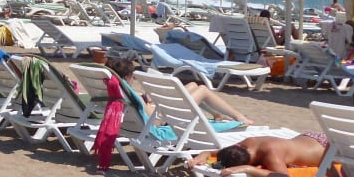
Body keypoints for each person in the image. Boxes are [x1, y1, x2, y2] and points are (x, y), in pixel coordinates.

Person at [106, 55, 256, 126]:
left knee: (192, 85)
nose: (134, 78)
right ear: (127, 76)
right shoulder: (127, 92)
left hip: (158, 113)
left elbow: (141, 105)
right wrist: (149, 99)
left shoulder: (119, 89)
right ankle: (239, 117)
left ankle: (217, 114)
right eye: (133, 76)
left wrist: (147, 98)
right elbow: (148, 110)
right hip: (162, 119)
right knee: (203, 89)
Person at [215, 131, 331, 177]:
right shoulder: (248, 143)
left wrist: (249, 169)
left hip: (327, 148)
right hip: (310, 137)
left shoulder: (271, 154)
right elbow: (221, 152)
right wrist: (206, 153)